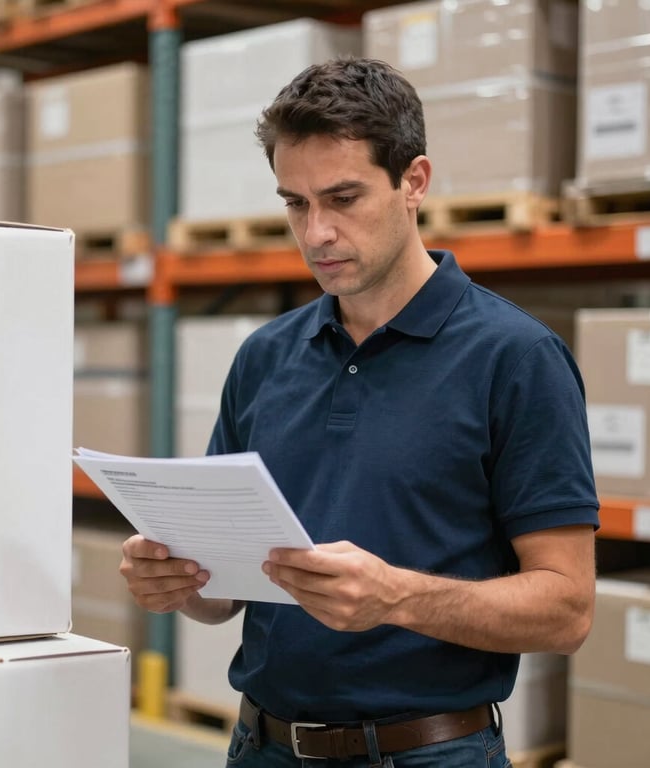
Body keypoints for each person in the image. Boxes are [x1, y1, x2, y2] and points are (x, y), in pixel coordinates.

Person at [120, 56, 599, 768]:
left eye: (343, 198)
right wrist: (179, 581)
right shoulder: (265, 357)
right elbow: (223, 597)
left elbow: (567, 609)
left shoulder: (515, 358)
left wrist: (397, 599)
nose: (316, 234)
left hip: (429, 753)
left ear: (415, 182)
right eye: (295, 203)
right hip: (262, 746)